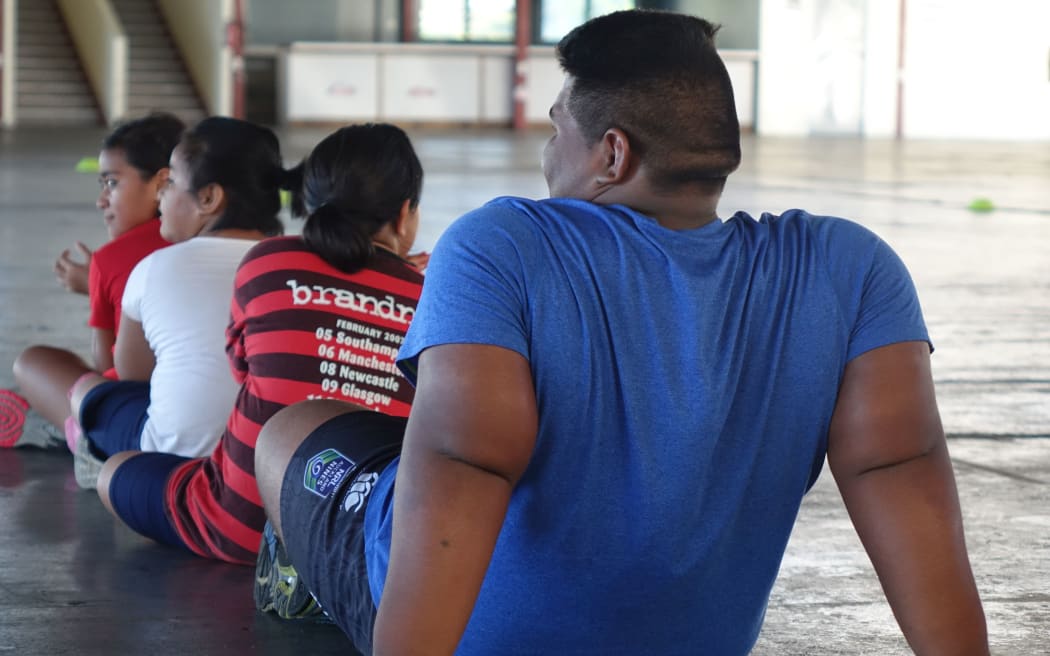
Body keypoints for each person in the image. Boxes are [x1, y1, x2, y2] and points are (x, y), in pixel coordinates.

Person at [254, 10, 989, 656]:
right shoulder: (850, 266)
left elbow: (459, 466)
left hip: (472, 632)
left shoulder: (503, 243)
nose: (547, 152)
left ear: (612, 153)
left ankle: (309, 579)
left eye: (555, 129)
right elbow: (899, 469)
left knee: (296, 430)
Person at [92, 123, 426, 566]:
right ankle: (307, 566)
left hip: (239, 522)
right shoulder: (427, 295)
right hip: (358, 541)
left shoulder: (269, 263)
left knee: (114, 473)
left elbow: (242, 372)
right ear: (404, 215)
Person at [33, 116, 288, 499]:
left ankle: (84, 440)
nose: (160, 197)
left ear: (209, 198)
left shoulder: (153, 268)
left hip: (175, 471)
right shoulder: (295, 263)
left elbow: (130, 374)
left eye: (169, 185)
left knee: (82, 390)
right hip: (279, 471)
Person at [12, 113, 182, 447]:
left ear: (161, 183)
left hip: (141, 424)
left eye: (112, 183)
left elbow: (111, 370)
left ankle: (77, 436)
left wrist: (97, 290)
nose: (101, 199)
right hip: (216, 420)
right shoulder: (202, 240)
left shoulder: (111, 260)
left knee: (33, 363)